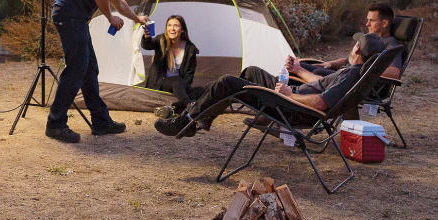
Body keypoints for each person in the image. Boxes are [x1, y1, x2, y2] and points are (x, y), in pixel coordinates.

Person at [154, 32, 388, 138]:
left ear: (357, 50)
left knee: (226, 82)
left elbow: (319, 102)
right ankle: (202, 116)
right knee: (251, 72)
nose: (352, 47)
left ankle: (187, 121)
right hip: (290, 98)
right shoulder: (355, 73)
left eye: (355, 44)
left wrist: (288, 95)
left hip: (288, 106)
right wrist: (298, 70)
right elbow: (322, 86)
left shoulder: (350, 75)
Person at [46, 0, 151, 143]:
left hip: (76, 17)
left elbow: (120, 3)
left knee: (89, 69)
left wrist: (137, 19)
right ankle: (55, 124)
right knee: (77, 69)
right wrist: (110, 18)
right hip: (70, 15)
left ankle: (101, 121)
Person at [292, 3, 404, 82]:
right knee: (301, 66)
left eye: (372, 21)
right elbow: (348, 60)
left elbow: (394, 73)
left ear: (384, 23)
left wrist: (360, 70)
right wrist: (330, 64)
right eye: (367, 20)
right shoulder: (368, 40)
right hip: (343, 75)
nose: (367, 24)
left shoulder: (391, 45)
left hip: (349, 80)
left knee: (302, 71)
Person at [141, 15, 202, 119]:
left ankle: (171, 108)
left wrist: (181, 89)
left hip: (179, 86)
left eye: (176, 26)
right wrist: (146, 37)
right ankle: (190, 109)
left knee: (201, 90)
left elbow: (189, 76)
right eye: (169, 25)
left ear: (182, 30)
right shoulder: (161, 40)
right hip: (160, 83)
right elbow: (148, 45)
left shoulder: (190, 48)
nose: (172, 28)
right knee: (176, 80)